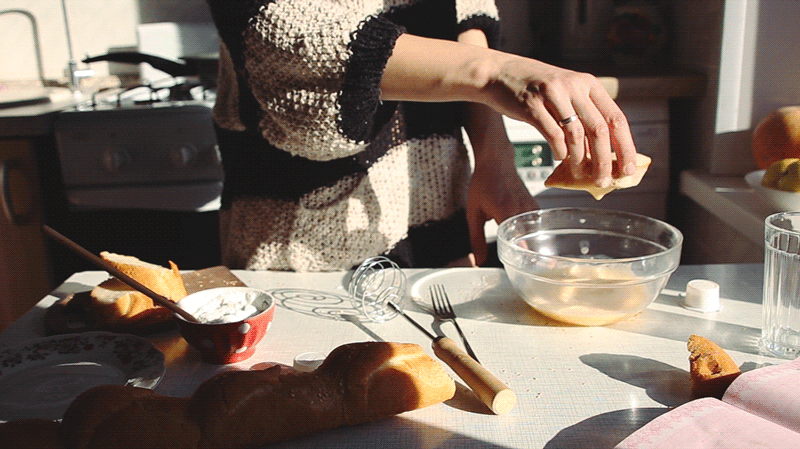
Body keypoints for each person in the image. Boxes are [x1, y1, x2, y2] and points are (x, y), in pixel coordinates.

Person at [205, 1, 638, 271]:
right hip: (298, 243)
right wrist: (495, 72)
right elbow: (283, 37)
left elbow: (464, 14)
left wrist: (493, 156)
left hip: (434, 207)